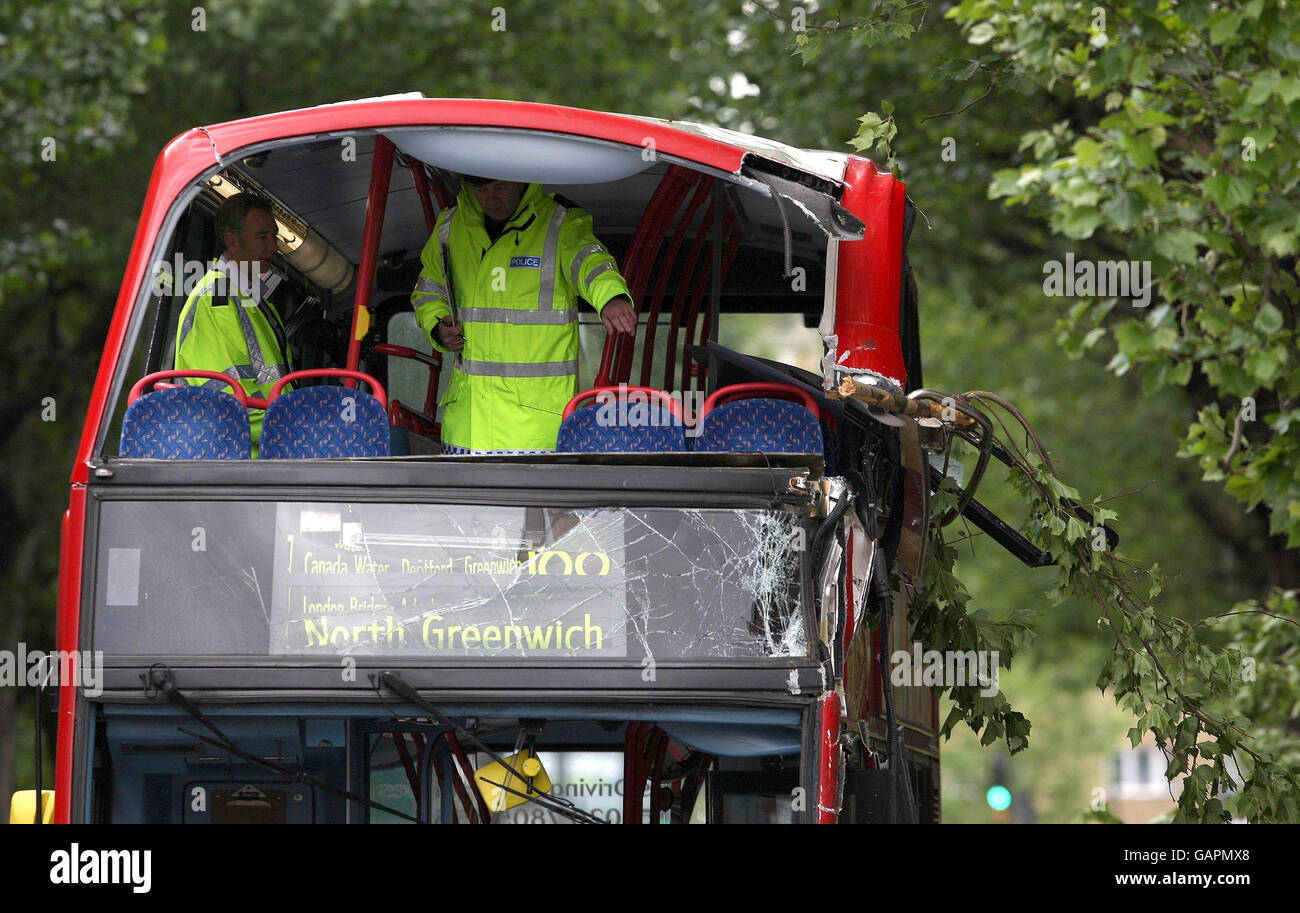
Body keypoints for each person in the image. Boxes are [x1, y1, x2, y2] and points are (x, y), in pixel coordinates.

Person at [411, 175, 637, 453]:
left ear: (521, 183)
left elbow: (589, 261)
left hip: (537, 433)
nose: (490, 198)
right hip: (465, 431)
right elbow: (428, 288)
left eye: (500, 187)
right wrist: (437, 326)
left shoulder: (558, 222)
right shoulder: (449, 225)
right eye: (480, 190)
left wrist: (611, 297)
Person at [174, 192, 294, 454]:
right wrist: (296, 434)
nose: (272, 246)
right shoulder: (215, 301)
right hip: (234, 467)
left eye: (274, 236)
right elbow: (231, 401)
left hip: (260, 458)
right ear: (232, 240)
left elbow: (270, 385)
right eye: (262, 237)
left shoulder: (256, 300)